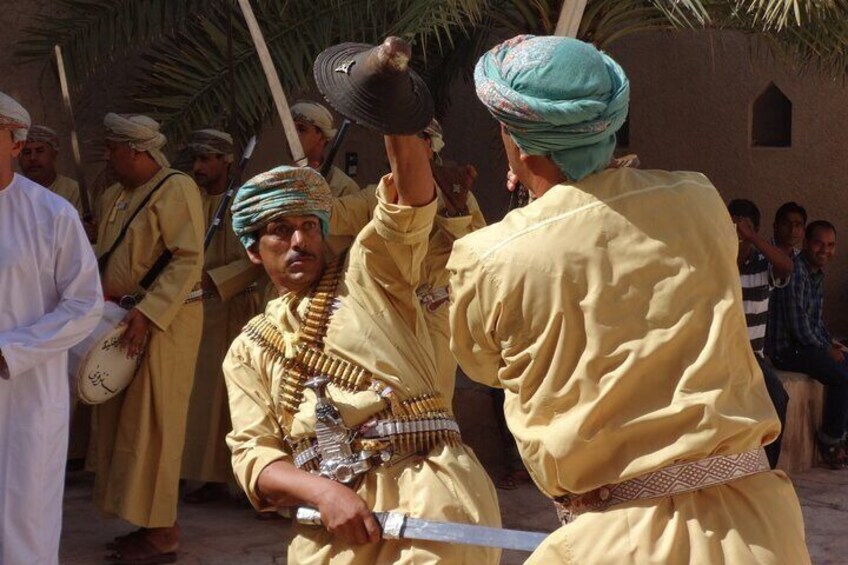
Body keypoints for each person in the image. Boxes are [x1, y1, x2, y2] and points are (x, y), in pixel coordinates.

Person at [448, 35, 809, 563]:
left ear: (515, 140)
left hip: (614, 539)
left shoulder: (489, 255)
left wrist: (531, 208)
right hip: (759, 525)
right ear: (611, 124)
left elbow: (483, 366)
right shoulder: (701, 199)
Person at [223, 137, 500, 564]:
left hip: (429, 496)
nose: (299, 240)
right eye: (280, 230)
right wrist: (323, 492)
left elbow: (407, 207)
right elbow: (255, 457)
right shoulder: (248, 348)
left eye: (310, 226)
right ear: (252, 250)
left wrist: (394, 111)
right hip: (331, 524)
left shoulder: (369, 274)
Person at [89, 113, 205, 563]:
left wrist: (149, 312)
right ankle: (145, 521)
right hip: (123, 317)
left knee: (157, 423)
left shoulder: (175, 188)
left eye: (113, 149)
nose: (108, 157)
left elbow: (186, 258)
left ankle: (163, 533)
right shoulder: (116, 194)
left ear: (136, 151)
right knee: (130, 423)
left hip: (164, 322)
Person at [0, 92, 103, 564]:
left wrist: (12, 351)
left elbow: (84, 305)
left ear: (16, 143)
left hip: (28, 394)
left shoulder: (51, 215)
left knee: (24, 515)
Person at [181, 129, 263, 503]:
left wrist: (216, 279)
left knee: (227, 399)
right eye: (195, 160)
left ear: (226, 160)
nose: (198, 167)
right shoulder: (189, 199)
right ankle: (193, 474)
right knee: (194, 396)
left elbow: (258, 256)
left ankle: (230, 479)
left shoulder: (246, 201)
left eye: (206, 159)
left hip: (233, 308)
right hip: (192, 309)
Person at [767, 220, 848, 469]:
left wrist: (832, 344)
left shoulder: (817, 273)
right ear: (806, 244)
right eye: (818, 243)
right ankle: (830, 442)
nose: (825, 250)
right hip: (786, 350)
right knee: (841, 377)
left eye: (830, 245)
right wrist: (826, 350)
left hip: (806, 346)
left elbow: (816, 321)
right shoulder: (797, 270)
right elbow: (798, 325)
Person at [728, 198, 793, 468]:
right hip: (722, 353)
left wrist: (753, 238)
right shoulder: (717, 259)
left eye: (746, 229)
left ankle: (768, 468)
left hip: (752, 356)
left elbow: (787, 267)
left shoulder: (761, 263)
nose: (739, 235)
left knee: (778, 397)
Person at [291, 100, 360, 197]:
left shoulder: (344, 188)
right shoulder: (279, 180)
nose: (292, 135)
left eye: (302, 129)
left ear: (322, 138)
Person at [18, 124, 85, 216]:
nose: (32, 158)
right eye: (26, 152)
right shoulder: (11, 192)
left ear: (54, 154)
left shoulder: (73, 191)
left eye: (40, 151)